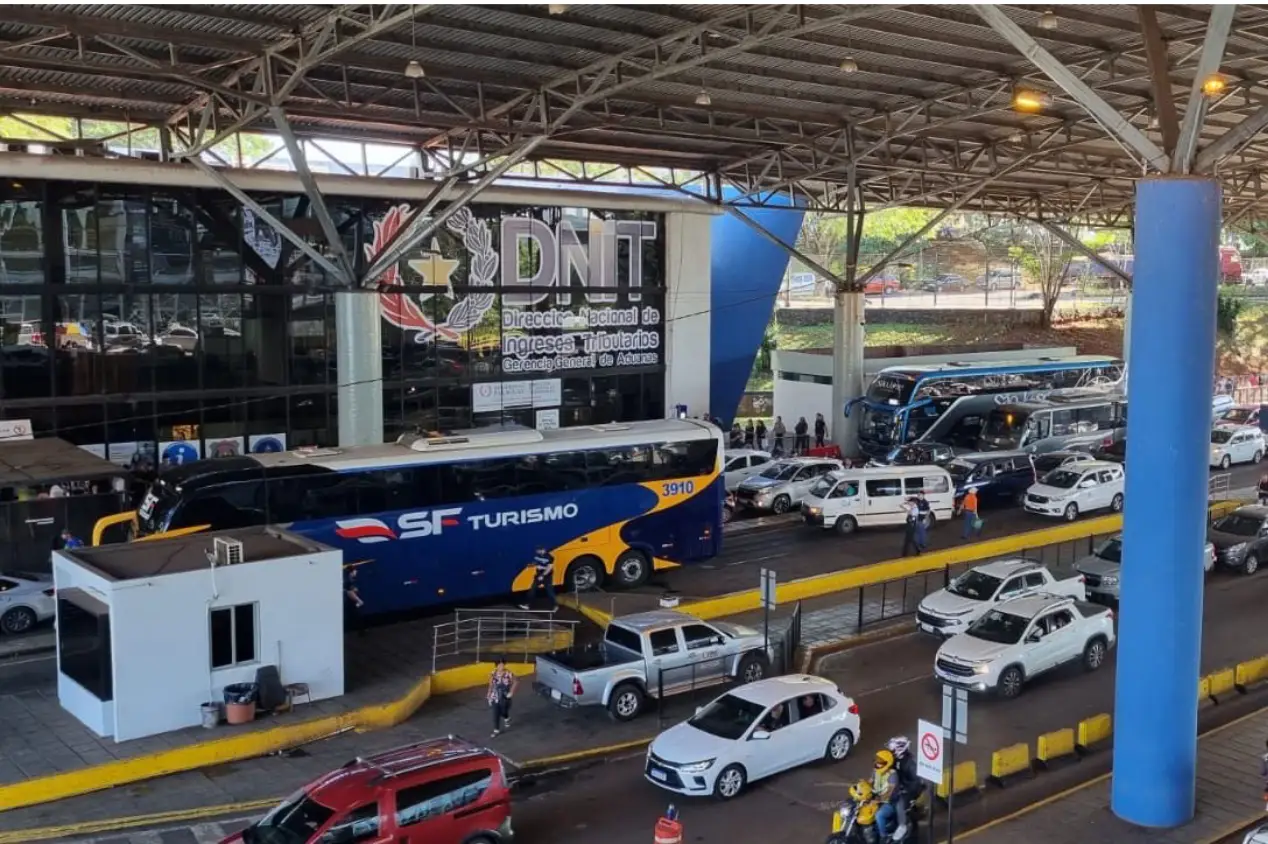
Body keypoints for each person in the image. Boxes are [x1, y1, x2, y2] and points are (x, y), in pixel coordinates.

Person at [872, 749, 906, 841]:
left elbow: (889, 793)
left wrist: (877, 800)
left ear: (887, 763)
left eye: (880, 762)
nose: (877, 763)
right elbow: (870, 782)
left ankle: (884, 837)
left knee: (879, 815)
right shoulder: (876, 771)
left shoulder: (892, 775)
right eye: (877, 760)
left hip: (890, 802)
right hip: (876, 798)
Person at [488, 658, 518, 737]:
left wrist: (511, 692)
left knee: (503, 711)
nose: (501, 666)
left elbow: (516, 682)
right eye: (499, 665)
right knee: (495, 713)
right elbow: (491, 684)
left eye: (502, 665)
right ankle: (496, 730)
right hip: (495, 696)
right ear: (496, 666)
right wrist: (489, 693)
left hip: (505, 696)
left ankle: (506, 718)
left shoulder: (508, 673)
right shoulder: (493, 673)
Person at [343, 565, 365, 633]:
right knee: (356, 616)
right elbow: (349, 592)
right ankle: (361, 631)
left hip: (348, 602)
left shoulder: (348, 580)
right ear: (351, 572)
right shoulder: (348, 581)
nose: (356, 572)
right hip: (350, 602)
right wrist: (358, 603)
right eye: (354, 571)